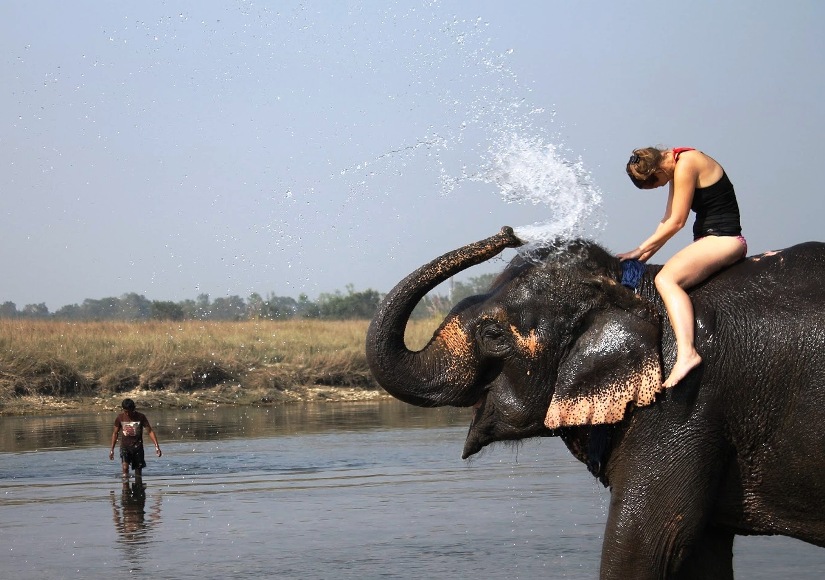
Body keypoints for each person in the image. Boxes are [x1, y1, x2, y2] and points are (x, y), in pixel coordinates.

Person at [618, 146, 747, 388]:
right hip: (709, 240)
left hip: (724, 239)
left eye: (654, 185)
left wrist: (638, 248)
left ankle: (687, 353)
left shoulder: (687, 163)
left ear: (656, 170)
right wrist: (641, 257)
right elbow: (667, 220)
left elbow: (678, 222)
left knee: (666, 280)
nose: (658, 188)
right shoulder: (675, 165)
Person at [109, 398, 162, 478]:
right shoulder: (120, 418)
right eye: (125, 411)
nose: (127, 413)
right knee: (125, 468)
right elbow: (115, 433)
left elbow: (150, 431)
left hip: (138, 447)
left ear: (133, 408)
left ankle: (139, 488)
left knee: (138, 472)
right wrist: (112, 449)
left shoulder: (141, 417)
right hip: (125, 447)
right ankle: (125, 487)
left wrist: (157, 446)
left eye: (129, 411)